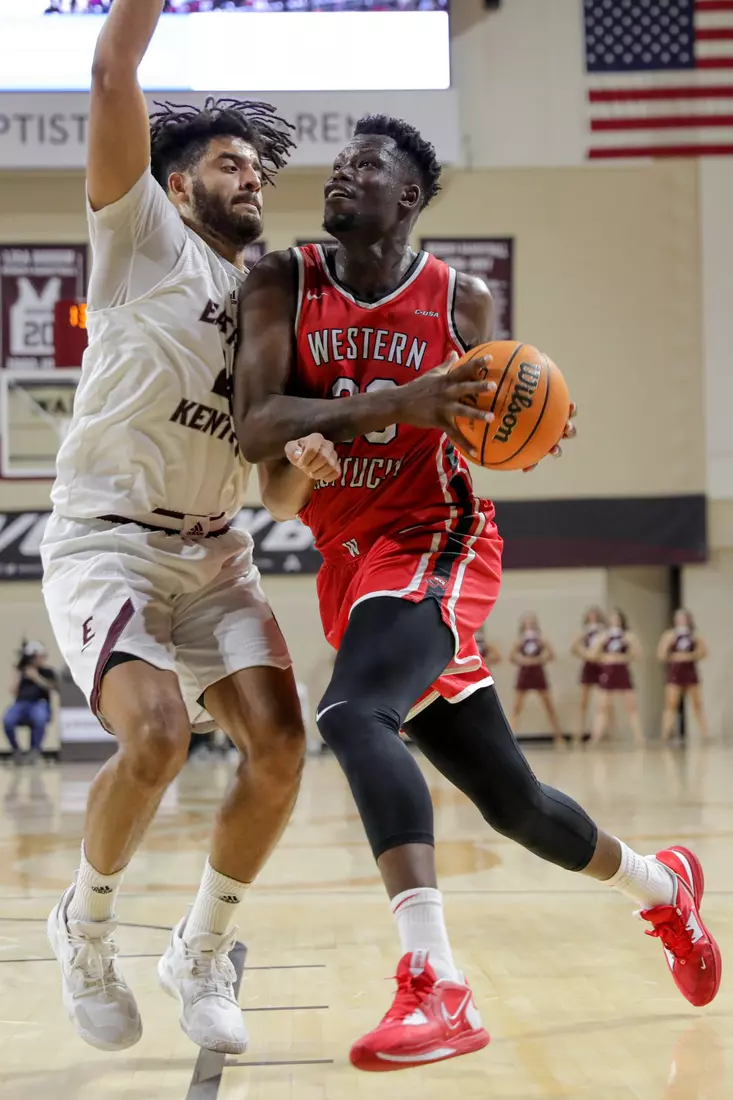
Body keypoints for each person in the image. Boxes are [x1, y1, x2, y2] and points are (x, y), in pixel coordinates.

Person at [233, 115, 721, 1071]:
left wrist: (531, 420)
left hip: (437, 542)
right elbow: (255, 427)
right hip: (350, 560)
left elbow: (488, 417)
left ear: (407, 196)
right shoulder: (280, 279)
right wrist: (381, 408)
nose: (342, 178)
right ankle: (665, 889)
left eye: (365, 167)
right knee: (514, 804)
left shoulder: (461, 300)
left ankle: (435, 985)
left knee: (351, 711)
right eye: (338, 166)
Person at [39, 0, 302, 1058]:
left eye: (259, 169)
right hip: (108, 540)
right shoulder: (142, 236)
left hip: (218, 553)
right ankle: (86, 925)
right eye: (232, 164)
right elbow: (112, 70)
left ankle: (200, 949)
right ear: (180, 181)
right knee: (154, 734)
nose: (253, 179)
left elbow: (279, 491)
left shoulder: (273, 308)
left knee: (282, 748)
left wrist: (309, 463)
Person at [509, 612, 565, 748]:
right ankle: (510, 740)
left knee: (549, 706)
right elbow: (512, 656)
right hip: (524, 673)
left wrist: (539, 659)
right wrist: (523, 660)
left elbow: (551, 655)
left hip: (538, 673)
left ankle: (559, 738)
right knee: (517, 708)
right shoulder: (519, 640)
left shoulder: (541, 638)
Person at [590, 609, 645, 746]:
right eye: (611, 618)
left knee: (631, 706)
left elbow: (638, 654)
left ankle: (639, 738)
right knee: (602, 706)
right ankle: (595, 738)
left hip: (622, 671)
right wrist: (604, 656)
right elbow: (592, 655)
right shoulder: (603, 636)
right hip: (608, 671)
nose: (614, 621)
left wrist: (624, 656)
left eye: (617, 618)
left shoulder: (628, 636)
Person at [657, 609, 710, 744]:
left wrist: (691, 655)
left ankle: (705, 735)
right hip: (675, 672)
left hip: (690, 672)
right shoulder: (669, 635)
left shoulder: (695, 635)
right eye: (678, 617)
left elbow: (704, 652)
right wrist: (673, 654)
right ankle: (665, 735)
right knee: (671, 704)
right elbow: (661, 655)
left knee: (697, 705)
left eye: (683, 617)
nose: (680, 620)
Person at [3, 643, 58, 764]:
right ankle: (16, 751)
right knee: (7, 720)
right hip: (21, 703)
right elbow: (13, 691)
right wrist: (17, 675)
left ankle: (35, 751)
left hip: (39, 703)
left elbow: (53, 688)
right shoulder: (21, 672)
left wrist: (36, 677)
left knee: (39, 718)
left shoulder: (47, 672)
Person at [570, 606, 606, 745]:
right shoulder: (584, 633)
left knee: (604, 703)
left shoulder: (603, 633)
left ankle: (601, 734)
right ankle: (578, 734)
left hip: (602, 667)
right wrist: (586, 652)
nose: (592, 620)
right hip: (588, 667)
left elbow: (599, 652)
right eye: (590, 617)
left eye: (595, 617)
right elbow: (575, 649)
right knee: (583, 703)